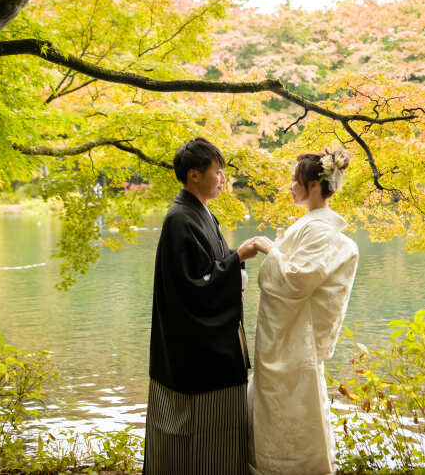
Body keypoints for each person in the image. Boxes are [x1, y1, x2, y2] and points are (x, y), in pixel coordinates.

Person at [143, 137, 258, 475]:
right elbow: (192, 288)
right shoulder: (180, 220)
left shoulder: (201, 214)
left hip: (207, 348)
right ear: (194, 175)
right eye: (217, 171)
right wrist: (236, 258)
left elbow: (212, 271)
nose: (222, 178)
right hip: (193, 355)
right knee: (190, 439)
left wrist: (233, 261)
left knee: (213, 440)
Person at [249, 149, 360, 475]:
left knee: (294, 412)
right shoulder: (311, 225)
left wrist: (270, 249)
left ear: (313, 185)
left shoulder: (319, 229)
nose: (290, 186)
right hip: (289, 338)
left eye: (295, 180)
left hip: (293, 340)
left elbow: (297, 281)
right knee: (290, 410)